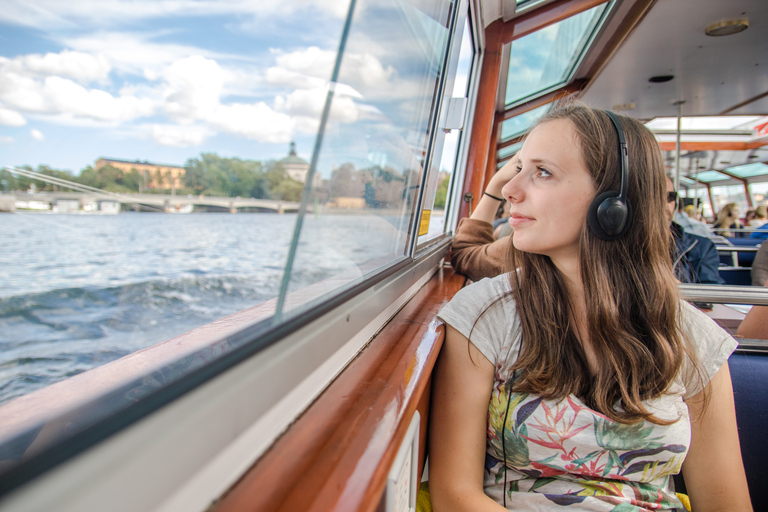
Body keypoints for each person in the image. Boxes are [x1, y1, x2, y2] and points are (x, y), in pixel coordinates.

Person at [430, 104, 750, 511]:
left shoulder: (694, 339)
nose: (511, 189)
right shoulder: (483, 315)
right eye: (519, 169)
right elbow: (455, 496)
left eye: (542, 172)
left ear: (612, 202)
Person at [667, 179, 724, 285]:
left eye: (669, 197)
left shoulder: (701, 247)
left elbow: (712, 296)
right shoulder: (628, 245)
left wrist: (680, 292)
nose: (662, 204)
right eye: (654, 196)